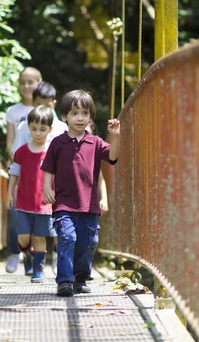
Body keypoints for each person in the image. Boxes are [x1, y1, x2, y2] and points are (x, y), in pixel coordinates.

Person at [41, 90, 121, 297]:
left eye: (85, 113)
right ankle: (65, 281)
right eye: (74, 113)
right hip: (64, 202)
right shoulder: (58, 143)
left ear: (90, 117)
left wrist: (114, 135)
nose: (80, 118)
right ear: (64, 116)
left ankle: (80, 277)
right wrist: (46, 187)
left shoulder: (95, 142)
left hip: (89, 204)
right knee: (67, 237)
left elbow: (112, 156)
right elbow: (48, 167)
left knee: (89, 242)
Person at [10, 81, 68, 274]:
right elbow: (15, 159)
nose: (37, 132)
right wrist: (13, 188)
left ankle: (46, 266)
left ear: (53, 103)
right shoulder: (23, 129)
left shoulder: (61, 129)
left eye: (47, 103)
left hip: (51, 190)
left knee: (45, 230)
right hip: (27, 189)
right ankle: (28, 254)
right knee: (26, 233)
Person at [6, 105, 56, 283]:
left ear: (50, 129)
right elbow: (14, 172)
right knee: (24, 236)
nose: (38, 132)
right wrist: (10, 193)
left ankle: (38, 269)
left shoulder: (52, 152)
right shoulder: (22, 152)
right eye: (34, 128)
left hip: (44, 203)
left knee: (40, 236)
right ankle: (27, 255)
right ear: (28, 127)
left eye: (43, 129)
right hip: (24, 201)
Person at [4, 67, 42, 274]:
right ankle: (14, 251)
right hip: (21, 167)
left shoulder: (45, 110)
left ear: (39, 82)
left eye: (31, 82)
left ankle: (34, 259)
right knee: (17, 211)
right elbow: (11, 142)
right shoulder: (13, 112)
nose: (26, 86)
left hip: (41, 169)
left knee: (41, 214)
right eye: (23, 82)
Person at [86, 120, 108, 215]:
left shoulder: (93, 156)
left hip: (89, 205)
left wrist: (104, 198)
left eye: (86, 134)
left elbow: (100, 179)